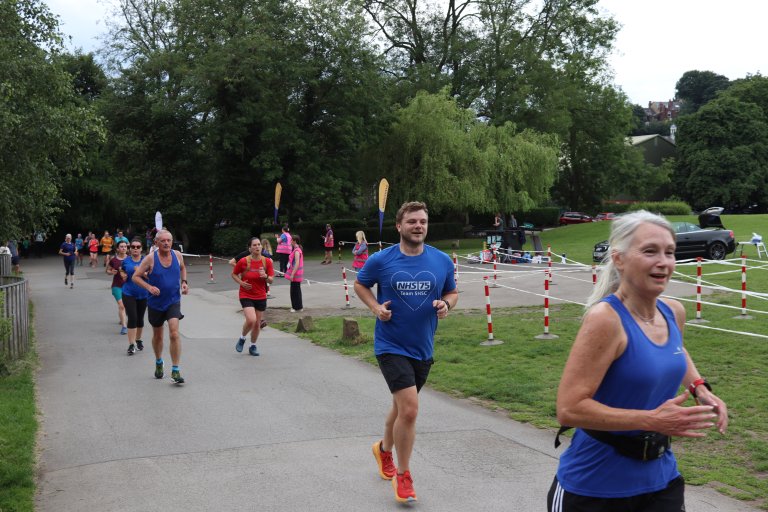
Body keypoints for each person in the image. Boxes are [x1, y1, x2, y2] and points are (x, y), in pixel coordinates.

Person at [547, 210, 728, 512]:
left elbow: (675, 350)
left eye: (669, 252)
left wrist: (699, 387)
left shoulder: (672, 312)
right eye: (650, 251)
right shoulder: (606, 319)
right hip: (595, 488)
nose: (663, 262)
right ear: (619, 259)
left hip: (661, 482)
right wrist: (653, 420)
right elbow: (568, 409)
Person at [354, 201, 458, 504]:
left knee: (401, 409)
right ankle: (404, 475)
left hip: (422, 347)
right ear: (399, 226)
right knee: (410, 409)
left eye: (423, 221)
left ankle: (383, 450)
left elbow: (452, 291)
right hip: (390, 345)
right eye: (412, 221)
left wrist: (447, 304)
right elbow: (360, 285)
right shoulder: (381, 260)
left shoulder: (440, 261)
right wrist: (375, 308)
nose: (418, 226)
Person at [132, 229, 189, 384]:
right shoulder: (150, 259)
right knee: (158, 336)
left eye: (169, 240)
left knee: (174, 333)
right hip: (156, 303)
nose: (166, 243)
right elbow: (135, 277)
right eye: (162, 241)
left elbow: (183, 268)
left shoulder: (177, 255)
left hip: (173, 301)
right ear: (156, 243)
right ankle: (159, 362)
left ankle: (175, 370)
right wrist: (149, 287)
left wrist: (184, 282)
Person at [231, 238, 275, 356]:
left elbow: (271, 280)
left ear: (261, 247)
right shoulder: (243, 261)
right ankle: (242, 338)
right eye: (254, 245)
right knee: (251, 319)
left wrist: (265, 276)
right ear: (250, 248)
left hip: (260, 295)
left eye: (259, 245)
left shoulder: (267, 262)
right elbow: (234, 274)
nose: (257, 247)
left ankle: (252, 346)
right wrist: (241, 283)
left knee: (257, 324)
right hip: (246, 294)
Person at [121, 238, 150, 355]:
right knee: (132, 317)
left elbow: (149, 277)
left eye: (138, 247)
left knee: (140, 318)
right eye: (133, 247)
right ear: (130, 248)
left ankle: (138, 339)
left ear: (141, 249)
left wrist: (140, 271)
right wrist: (124, 274)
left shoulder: (146, 261)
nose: (135, 249)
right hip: (128, 293)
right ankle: (131, 344)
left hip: (143, 294)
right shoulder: (127, 261)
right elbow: (124, 270)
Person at [106, 240, 129, 335]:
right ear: (118, 249)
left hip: (129, 286)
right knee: (122, 305)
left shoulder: (130, 259)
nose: (123, 248)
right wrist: (111, 272)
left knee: (126, 306)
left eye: (125, 246)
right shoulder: (113, 260)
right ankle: (124, 326)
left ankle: (122, 318)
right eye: (121, 246)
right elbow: (107, 270)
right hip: (117, 286)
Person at [285, 234, 304, 313]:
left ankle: (295, 307)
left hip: (295, 275)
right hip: (296, 274)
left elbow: (296, 263)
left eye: (291, 240)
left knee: (294, 291)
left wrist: (292, 274)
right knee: (296, 290)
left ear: (294, 241)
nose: (290, 241)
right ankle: (299, 307)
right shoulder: (296, 249)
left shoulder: (297, 250)